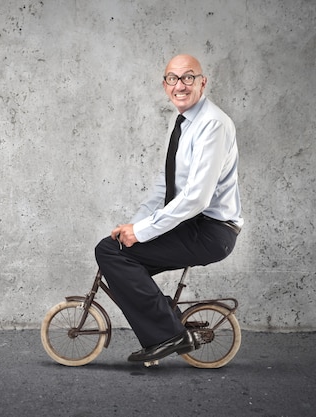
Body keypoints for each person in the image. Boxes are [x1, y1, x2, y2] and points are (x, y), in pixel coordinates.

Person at [94, 54, 243, 362]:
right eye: (173, 79)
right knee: (117, 252)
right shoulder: (185, 123)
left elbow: (196, 198)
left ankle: (169, 335)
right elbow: (166, 187)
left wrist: (143, 231)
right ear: (165, 85)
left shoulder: (212, 124)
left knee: (109, 253)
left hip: (212, 230)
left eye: (188, 77)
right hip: (194, 224)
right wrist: (132, 228)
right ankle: (168, 325)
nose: (180, 85)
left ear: (203, 82)